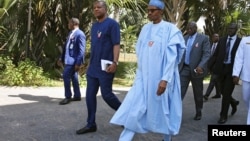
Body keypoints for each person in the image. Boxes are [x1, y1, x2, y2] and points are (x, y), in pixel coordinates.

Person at [110, 0, 186, 141]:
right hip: (143, 79)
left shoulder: (171, 30)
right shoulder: (145, 29)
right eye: (148, 10)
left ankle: (167, 138)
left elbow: (173, 58)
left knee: (165, 110)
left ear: (161, 12)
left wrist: (165, 80)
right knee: (134, 109)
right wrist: (139, 76)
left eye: (153, 10)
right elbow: (140, 53)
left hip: (162, 79)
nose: (149, 13)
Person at [76, 0, 121, 134]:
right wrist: (89, 65)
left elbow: (116, 44)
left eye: (99, 7)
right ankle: (91, 124)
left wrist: (115, 62)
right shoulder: (94, 26)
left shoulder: (112, 25)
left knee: (107, 95)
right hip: (93, 68)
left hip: (106, 67)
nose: (96, 9)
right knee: (90, 95)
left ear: (105, 9)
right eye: (94, 8)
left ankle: (126, 114)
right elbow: (94, 47)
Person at [179, 21, 210, 120]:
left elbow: (206, 54)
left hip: (197, 70)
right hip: (185, 69)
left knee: (198, 92)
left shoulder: (203, 38)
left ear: (195, 28)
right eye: (187, 28)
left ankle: (198, 111)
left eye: (191, 28)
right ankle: (175, 112)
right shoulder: (184, 38)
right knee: (179, 91)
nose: (189, 30)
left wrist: (201, 66)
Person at [211, 23, 241, 124]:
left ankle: (223, 116)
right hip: (221, 69)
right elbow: (215, 55)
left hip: (232, 71)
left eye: (232, 29)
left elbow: (242, 58)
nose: (230, 30)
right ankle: (233, 102)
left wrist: (238, 74)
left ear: (236, 29)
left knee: (226, 93)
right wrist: (209, 67)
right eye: (229, 28)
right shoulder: (222, 40)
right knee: (223, 92)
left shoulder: (240, 42)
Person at [57, 17, 86, 105]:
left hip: (73, 61)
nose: (68, 24)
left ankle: (68, 97)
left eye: (69, 23)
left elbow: (81, 50)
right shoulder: (71, 33)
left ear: (74, 24)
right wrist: (61, 58)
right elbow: (66, 47)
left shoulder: (80, 34)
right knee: (74, 77)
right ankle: (77, 96)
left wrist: (78, 63)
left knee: (65, 76)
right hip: (68, 60)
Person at [232, 36, 250, 125]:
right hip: (247, 76)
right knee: (245, 98)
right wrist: (236, 74)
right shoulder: (245, 40)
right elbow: (239, 57)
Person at [203, 33, 221, 101]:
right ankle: (218, 94)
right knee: (216, 80)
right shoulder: (210, 45)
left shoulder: (220, 45)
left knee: (212, 80)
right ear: (212, 38)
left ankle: (206, 95)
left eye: (218, 36)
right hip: (210, 65)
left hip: (217, 66)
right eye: (215, 36)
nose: (217, 37)